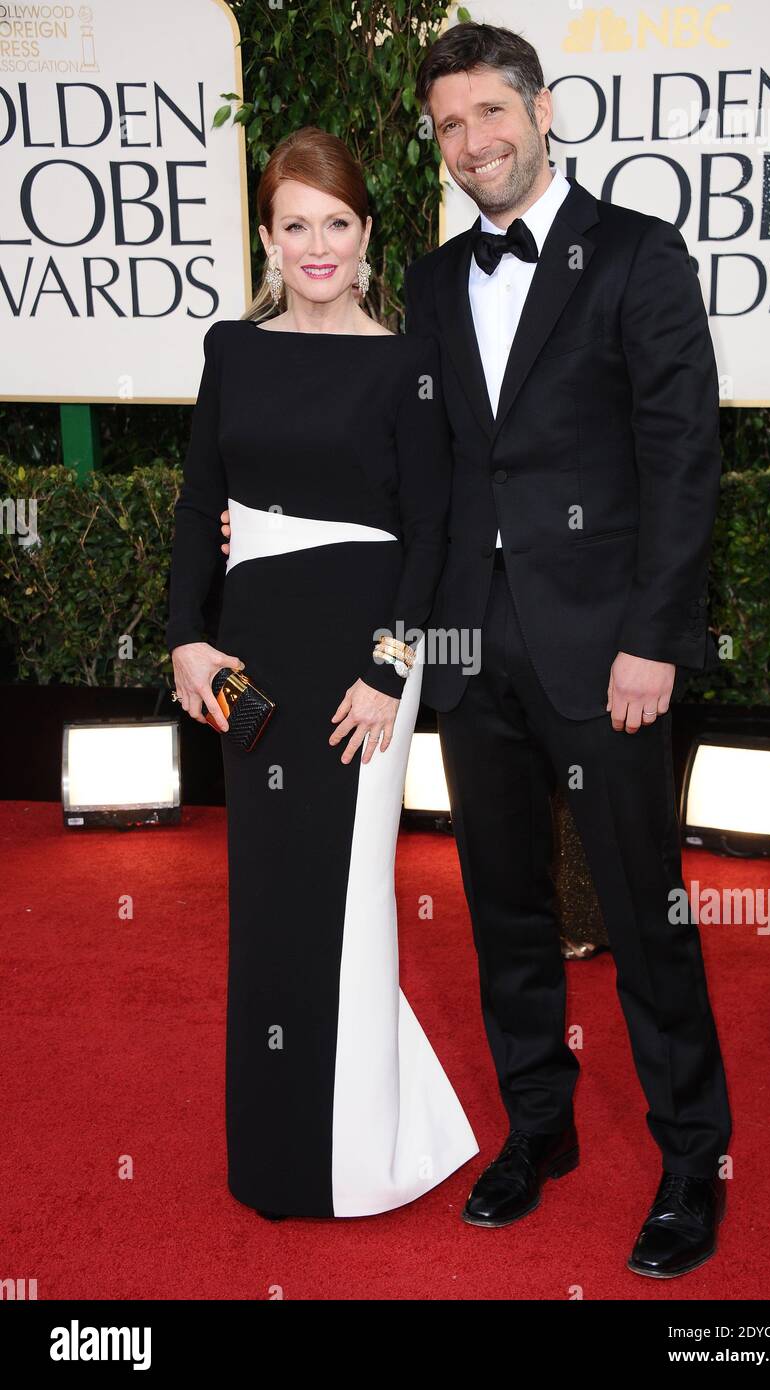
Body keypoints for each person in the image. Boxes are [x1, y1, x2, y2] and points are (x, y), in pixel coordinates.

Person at [403, 22, 732, 1277]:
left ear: (542, 112)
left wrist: (653, 639)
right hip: (469, 653)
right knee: (502, 911)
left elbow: (682, 460)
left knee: (646, 920)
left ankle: (693, 1157)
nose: (474, 142)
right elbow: (421, 477)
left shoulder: (638, 257)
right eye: (449, 126)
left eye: (492, 113)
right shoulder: (435, 286)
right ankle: (539, 1125)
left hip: (608, 660)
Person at [166, 126, 478, 1221]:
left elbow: (432, 533)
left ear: (366, 234)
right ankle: (275, 1153)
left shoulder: (407, 361)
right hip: (253, 666)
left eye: (334, 224)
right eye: (293, 224)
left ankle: (362, 1156)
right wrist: (185, 636)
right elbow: (198, 499)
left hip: (363, 672)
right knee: (267, 905)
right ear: (264, 234)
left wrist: (394, 672)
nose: (315, 245)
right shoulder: (231, 348)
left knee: (352, 904)